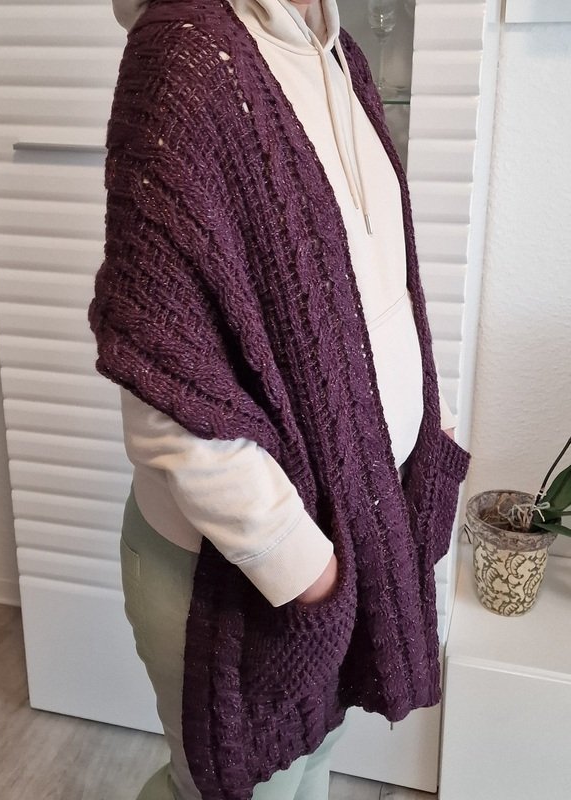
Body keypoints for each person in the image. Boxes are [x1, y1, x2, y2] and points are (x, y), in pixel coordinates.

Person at [90, 1, 467, 798]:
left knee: (308, 775)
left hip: (341, 550)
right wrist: (309, 573)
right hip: (241, 578)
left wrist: (426, 440)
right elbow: (167, 385)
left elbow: (379, 296)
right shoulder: (186, 56)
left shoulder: (339, 55)